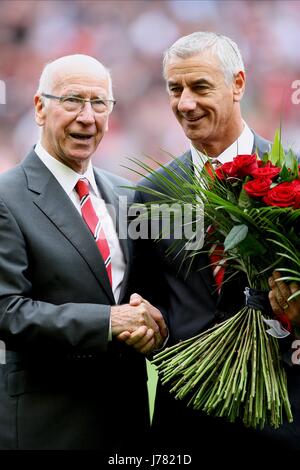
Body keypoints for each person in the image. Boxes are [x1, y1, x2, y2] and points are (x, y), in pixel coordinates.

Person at [122, 32, 300, 454]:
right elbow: (145, 299)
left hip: (284, 417)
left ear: (238, 84)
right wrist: (142, 320)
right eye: (174, 89)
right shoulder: (151, 192)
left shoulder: (291, 178)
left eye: (200, 87)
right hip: (185, 423)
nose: (185, 103)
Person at [0, 54, 167, 451]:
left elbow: (138, 297)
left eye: (100, 104)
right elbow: (6, 310)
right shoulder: (7, 197)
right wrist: (109, 322)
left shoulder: (126, 193)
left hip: (125, 421)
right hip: (49, 422)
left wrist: (150, 326)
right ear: (41, 108)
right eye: (73, 100)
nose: (87, 117)